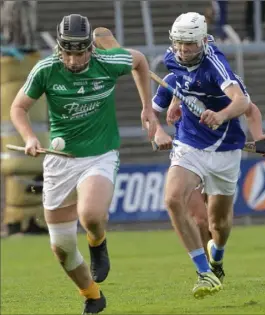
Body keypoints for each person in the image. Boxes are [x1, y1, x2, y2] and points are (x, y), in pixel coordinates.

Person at [10, 14, 157, 314]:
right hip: (60, 162)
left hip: (100, 155)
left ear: (91, 47)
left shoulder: (108, 61)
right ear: (60, 48)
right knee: (61, 248)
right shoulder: (46, 70)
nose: (74, 60)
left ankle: (97, 242)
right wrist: (28, 138)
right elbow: (18, 107)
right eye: (68, 52)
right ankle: (92, 295)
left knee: (90, 214)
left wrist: (147, 109)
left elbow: (140, 62)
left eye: (80, 52)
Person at [153, 12, 251, 299]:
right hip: (189, 144)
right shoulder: (171, 58)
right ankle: (203, 272)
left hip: (225, 149)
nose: (183, 50)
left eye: (190, 44)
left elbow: (242, 101)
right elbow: (180, 83)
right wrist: (173, 104)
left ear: (203, 40)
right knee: (172, 198)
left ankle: (217, 259)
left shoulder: (215, 63)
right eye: (179, 43)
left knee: (218, 223)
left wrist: (220, 116)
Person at [152, 70, 265, 264]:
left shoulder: (224, 79)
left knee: (218, 224)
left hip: (222, 156)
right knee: (200, 219)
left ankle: (217, 254)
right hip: (188, 154)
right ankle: (208, 271)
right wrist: (158, 132)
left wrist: (258, 137)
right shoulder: (172, 79)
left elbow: (250, 109)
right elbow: (151, 115)